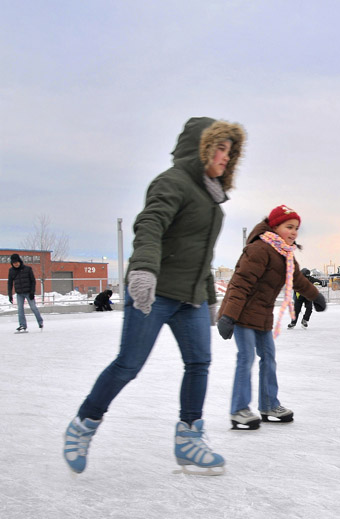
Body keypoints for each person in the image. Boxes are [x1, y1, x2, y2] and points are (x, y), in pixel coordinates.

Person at [63, 116, 245, 476]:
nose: (226, 156)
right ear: (203, 148)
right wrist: (143, 270)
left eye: (230, 151)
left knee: (199, 363)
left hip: (189, 298)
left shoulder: (212, 202)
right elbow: (150, 224)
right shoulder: (172, 182)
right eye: (220, 148)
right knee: (129, 364)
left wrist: (209, 296)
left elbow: (201, 256)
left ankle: (189, 438)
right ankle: (84, 424)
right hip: (155, 290)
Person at [217, 205, 326, 430]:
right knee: (246, 357)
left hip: (262, 316)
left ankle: (268, 405)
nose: (294, 232)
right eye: (289, 227)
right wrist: (228, 316)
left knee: (269, 358)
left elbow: (297, 280)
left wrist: (315, 296)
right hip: (241, 313)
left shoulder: (285, 254)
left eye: (296, 228)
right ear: (275, 227)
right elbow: (240, 284)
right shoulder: (259, 249)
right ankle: (238, 409)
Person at [7, 253, 44, 332]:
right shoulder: (11, 271)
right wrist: (10, 295)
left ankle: (40, 322)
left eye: (17, 262)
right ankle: (22, 325)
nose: (16, 264)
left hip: (28, 292)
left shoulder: (27, 269)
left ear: (19, 261)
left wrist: (32, 292)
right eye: (14, 263)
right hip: (19, 293)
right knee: (20, 309)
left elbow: (33, 281)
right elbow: (10, 283)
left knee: (33, 307)